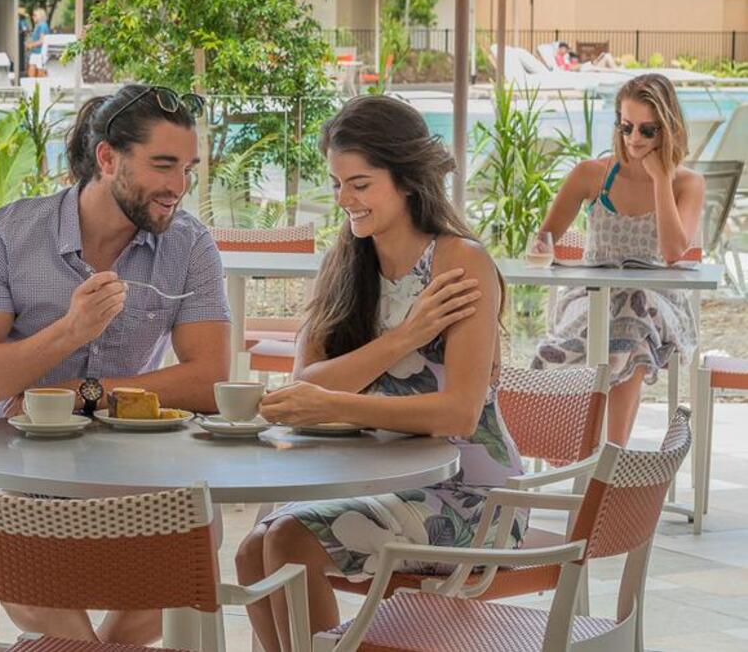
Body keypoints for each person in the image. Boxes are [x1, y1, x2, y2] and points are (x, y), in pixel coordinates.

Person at [234, 95, 523, 652]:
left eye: (360, 184)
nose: (344, 200)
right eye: (338, 183)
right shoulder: (348, 261)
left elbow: (459, 413)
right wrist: (403, 339)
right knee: (252, 550)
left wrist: (340, 405)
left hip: (470, 493)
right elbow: (306, 381)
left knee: (291, 538)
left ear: (407, 180)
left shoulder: (458, 262)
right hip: (383, 482)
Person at [0, 83, 231, 645]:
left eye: (188, 167)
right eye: (163, 165)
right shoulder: (5, 236)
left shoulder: (190, 246)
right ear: (107, 158)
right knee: (26, 553)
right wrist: (69, 332)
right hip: (14, 471)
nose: (178, 186)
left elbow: (210, 381)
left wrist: (90, 390)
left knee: (201, 529)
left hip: (132, 467)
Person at [532, 73, 702, 445]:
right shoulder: (591, 174)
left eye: (647, 130)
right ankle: (602, 453)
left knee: (631, 315)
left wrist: (660, 179)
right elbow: (543, 240)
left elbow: (674, 252)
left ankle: (609, 450)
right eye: (626, 127)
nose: (634, 139)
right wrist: (541, 250)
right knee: (623, 319)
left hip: (658, 305)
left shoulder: (685, 184)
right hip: (591, 299)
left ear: (668, 129)